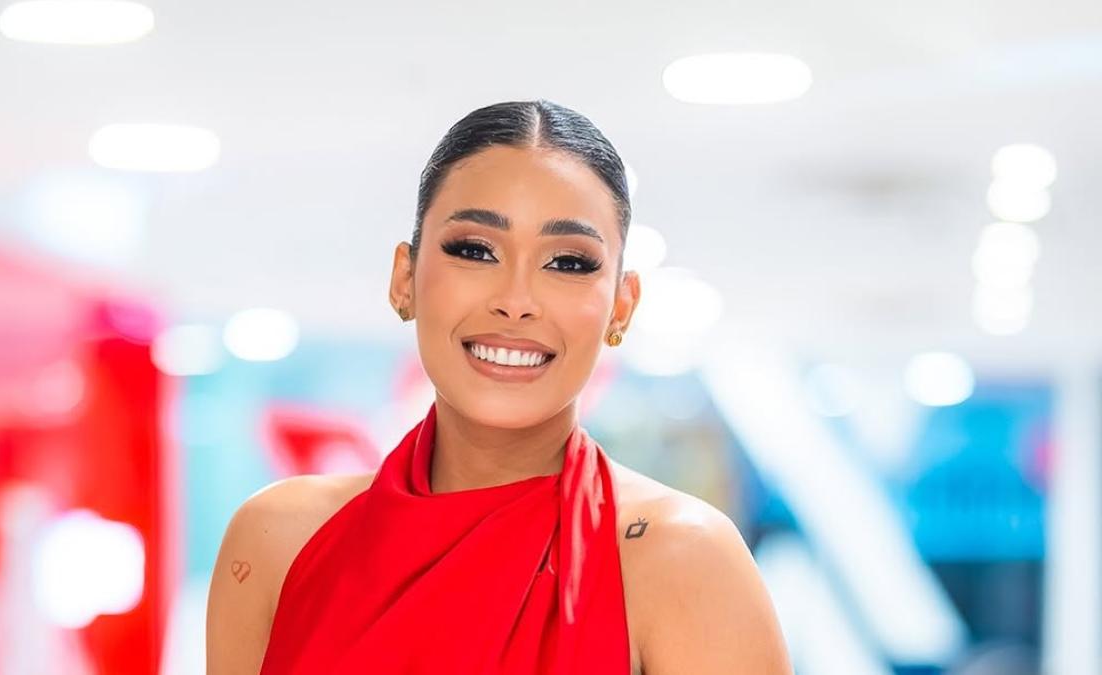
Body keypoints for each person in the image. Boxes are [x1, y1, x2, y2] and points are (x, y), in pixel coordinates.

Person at [206, 99, 792, 674]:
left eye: (568, 263)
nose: (516, 301)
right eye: (475, 250)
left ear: (621, 305)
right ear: (405, 278)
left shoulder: (682, 557)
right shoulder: (278, 539)